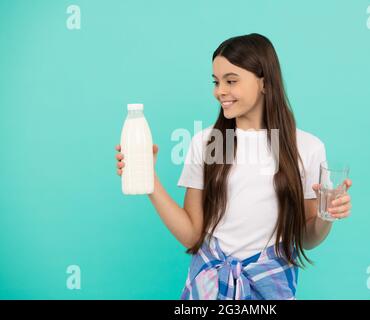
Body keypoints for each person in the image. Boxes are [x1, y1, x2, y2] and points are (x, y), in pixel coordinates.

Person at [115, 33, 353, 300]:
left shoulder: (307, 147)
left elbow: (307, 238)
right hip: (208, 286)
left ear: (264, 82)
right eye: (216, 82)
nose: (220, 91)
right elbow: (192, 234)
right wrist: (148, 178)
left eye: (231, 81)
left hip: (270, 287)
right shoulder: (207, 143)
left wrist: (326, 215)